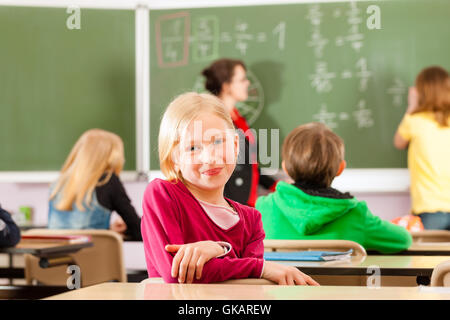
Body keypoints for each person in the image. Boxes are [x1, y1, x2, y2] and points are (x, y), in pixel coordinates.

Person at [141, 92, 318, 285]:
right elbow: (178, 274)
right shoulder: (163, 195)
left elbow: (249, 286)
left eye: (218, 142)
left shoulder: (251, 221)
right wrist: (259, 267)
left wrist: (219, 250)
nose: (210, 158)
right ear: (173, 160)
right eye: (193, 148)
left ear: (235, 146)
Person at [256, 122, 412, 254]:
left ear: (286, 168)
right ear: (340, 168)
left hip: (279, 290)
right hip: (338, 291)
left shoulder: (264, 208)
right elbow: (403, 240)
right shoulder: (356, 214)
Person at [202, 58, 277, 207]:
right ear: (226, 86)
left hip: (245, 204)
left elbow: (247, 164)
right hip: (230, 207)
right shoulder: (214, 120)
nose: (248, 83)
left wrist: (274, 184)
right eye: (242, 80)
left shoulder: (238, 118)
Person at [48, 129, 142, 241]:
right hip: (92, 257)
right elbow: (139, 231)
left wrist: (107, 231)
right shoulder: (107, 180)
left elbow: (72, 232)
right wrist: (122, 230)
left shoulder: (58, 184)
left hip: (55, 257)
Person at [394, 66, 450, 230]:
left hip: (429, 206)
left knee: (428, 255)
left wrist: (411, 106)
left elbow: (399, 142)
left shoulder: (414, 120)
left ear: (420, 92)